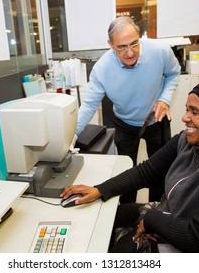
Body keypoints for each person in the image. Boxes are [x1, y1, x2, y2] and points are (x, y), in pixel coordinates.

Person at [62, 74, 199, 252]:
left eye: (195, 112)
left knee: (116, 251)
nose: (184, 118)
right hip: (174, 215)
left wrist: (153, 220)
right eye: (187, 109)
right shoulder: (188, 140)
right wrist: (100, 190)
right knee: (103, 217)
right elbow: (146, 172)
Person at [73, 16, 181, 203]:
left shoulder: (160, 51)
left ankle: (155, 214)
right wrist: (72, 136)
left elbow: (173, 73)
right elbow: (89, 104)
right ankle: (126, 215)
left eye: (134, 43)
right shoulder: (102, 69)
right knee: (125, 173)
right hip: (125, 124)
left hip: (157, 120)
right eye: (122, 47)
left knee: (160, 172)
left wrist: (165, 99)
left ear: (139, 37)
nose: (130, 53)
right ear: (110, 44)